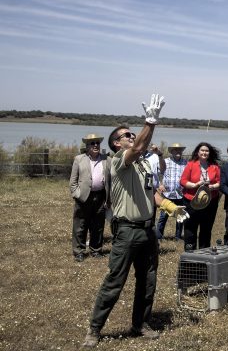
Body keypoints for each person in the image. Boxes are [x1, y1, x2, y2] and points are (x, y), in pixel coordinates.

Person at [82, 94, 188, 348]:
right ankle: (94, 329)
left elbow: (153, 195)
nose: (131, 137)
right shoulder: (119, 161)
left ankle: (140, 323)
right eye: (126, 135)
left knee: (148, 280)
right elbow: (139, 147)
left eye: (132, 134)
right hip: (127, 231)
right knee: (115, 281)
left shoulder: (142, 166)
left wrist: (172, 207)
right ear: (117, 144)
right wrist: (150, 122)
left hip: (147, 230)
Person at [69, 133, 111, 262]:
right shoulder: (79, 159)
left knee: (98, 225)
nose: (96, 145)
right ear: (87, 146)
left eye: (97, 143)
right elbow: (73, 181)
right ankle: (79, 251)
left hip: (101, 197)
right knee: (80, 225)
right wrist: (77, 195)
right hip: (84, 197)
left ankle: (96, 250)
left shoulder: (107, 159)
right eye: (92, 143)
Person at [180, 142, 221, 250]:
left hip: (210, 202)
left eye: (206, 151)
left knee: (206, 229)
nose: (204, 152)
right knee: (190, 228)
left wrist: (211, 187)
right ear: (198, 152)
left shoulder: (214, 166)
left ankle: (204, 253)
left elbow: (220, 182)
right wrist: (195, 185)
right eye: (202, 150)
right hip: (191, 201)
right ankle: (190, 254)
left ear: (209, 153)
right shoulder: (191, 164)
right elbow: (183, 181)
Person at [156, 143, 188, 241]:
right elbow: (157, 173)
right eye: (175, 150)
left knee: (180, 216)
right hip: (167, 194)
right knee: (163, 216)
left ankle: (178, 237)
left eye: (179, 150)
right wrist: (160, 184)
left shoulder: (186, 163)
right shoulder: (165, 161)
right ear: (171, 152)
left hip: (180, 194)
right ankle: (158, 236)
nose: (178, 152)